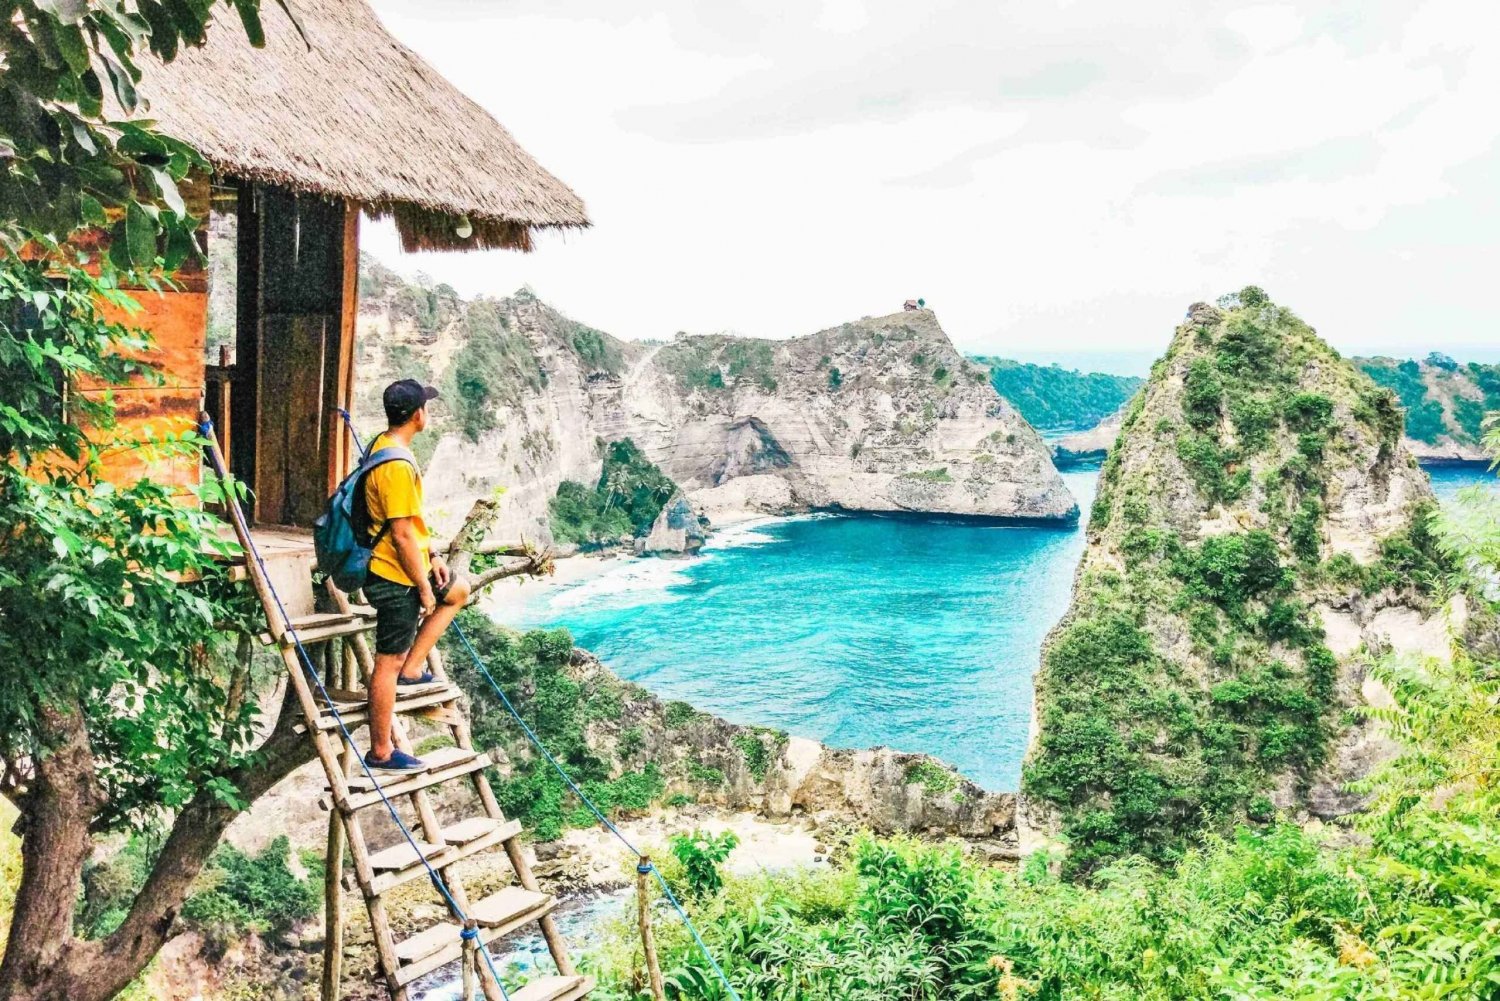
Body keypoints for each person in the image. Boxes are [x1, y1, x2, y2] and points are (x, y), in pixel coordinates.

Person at [361, 379, 471, 770]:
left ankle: (413, 668)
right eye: (427, 406)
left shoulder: (384, 446)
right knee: (386, 662)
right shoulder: (396, 465)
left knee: (458, 590)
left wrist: (435, 556)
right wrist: (423, 587)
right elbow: (402, 532)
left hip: (406, 565)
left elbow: (412, 524)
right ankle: (380, 751)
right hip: (393, 574)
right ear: (417, 414)